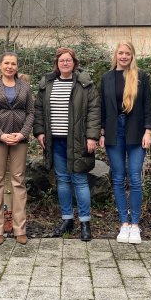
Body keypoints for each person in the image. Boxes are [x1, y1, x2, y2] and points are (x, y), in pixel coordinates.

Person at [33, 47, 101, 242]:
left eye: (68, 60)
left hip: (78, 141)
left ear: (74, 63)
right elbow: (39, 110)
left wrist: (92, 137)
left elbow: (94, 111)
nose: (65, 63)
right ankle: (67, 220)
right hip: (55, 141)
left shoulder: (85, 84)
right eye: (61, 60)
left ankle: (85, 223)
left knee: (79, 180)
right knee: (62, 181)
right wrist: (40, 132)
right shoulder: (47, 83)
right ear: (57, 63)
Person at [99, 41, 151, 244]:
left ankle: (135, 225)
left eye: (127, 53)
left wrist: (148, 131)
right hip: (114, 132)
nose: (123, 56)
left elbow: (148, 105)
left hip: (136, 132)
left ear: (132, 56)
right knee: (118, 178)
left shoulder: (141, 76)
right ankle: (124, 223)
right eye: (120, 53)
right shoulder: (106, 77)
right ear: (116, 55)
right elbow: (102, 107)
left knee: (135, 178)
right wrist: (101, 132)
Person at [0, 52, 34, 245]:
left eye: (13, 64)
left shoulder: (25, 87)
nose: (10, 66)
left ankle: (20, 229)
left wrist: (23, 134)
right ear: (0, 65)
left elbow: (31, 113)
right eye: (6, 63)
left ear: (17, 67)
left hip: (19, 139)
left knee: (18, 181)